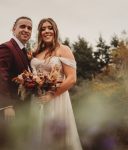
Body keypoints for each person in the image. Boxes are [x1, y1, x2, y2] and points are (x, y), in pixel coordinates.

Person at [30, 18, 82, 150]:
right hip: (36, 100)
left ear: (55, 31)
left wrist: (52, 95)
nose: (46, 31)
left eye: (49, 28)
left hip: (56, 99)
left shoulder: (63, 49)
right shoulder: (36, 52)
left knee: (54, 139)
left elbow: (71, 78)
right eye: (43, 29)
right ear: (40, 33)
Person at [0, 16, 32, 121]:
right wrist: (6, 105)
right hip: (10, 110)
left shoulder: (23, 51)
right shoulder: (7, 48)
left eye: (29, 28)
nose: (26, 30)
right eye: (22, 26)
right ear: (14, 29)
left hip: (22, 108)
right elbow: (1, 77)